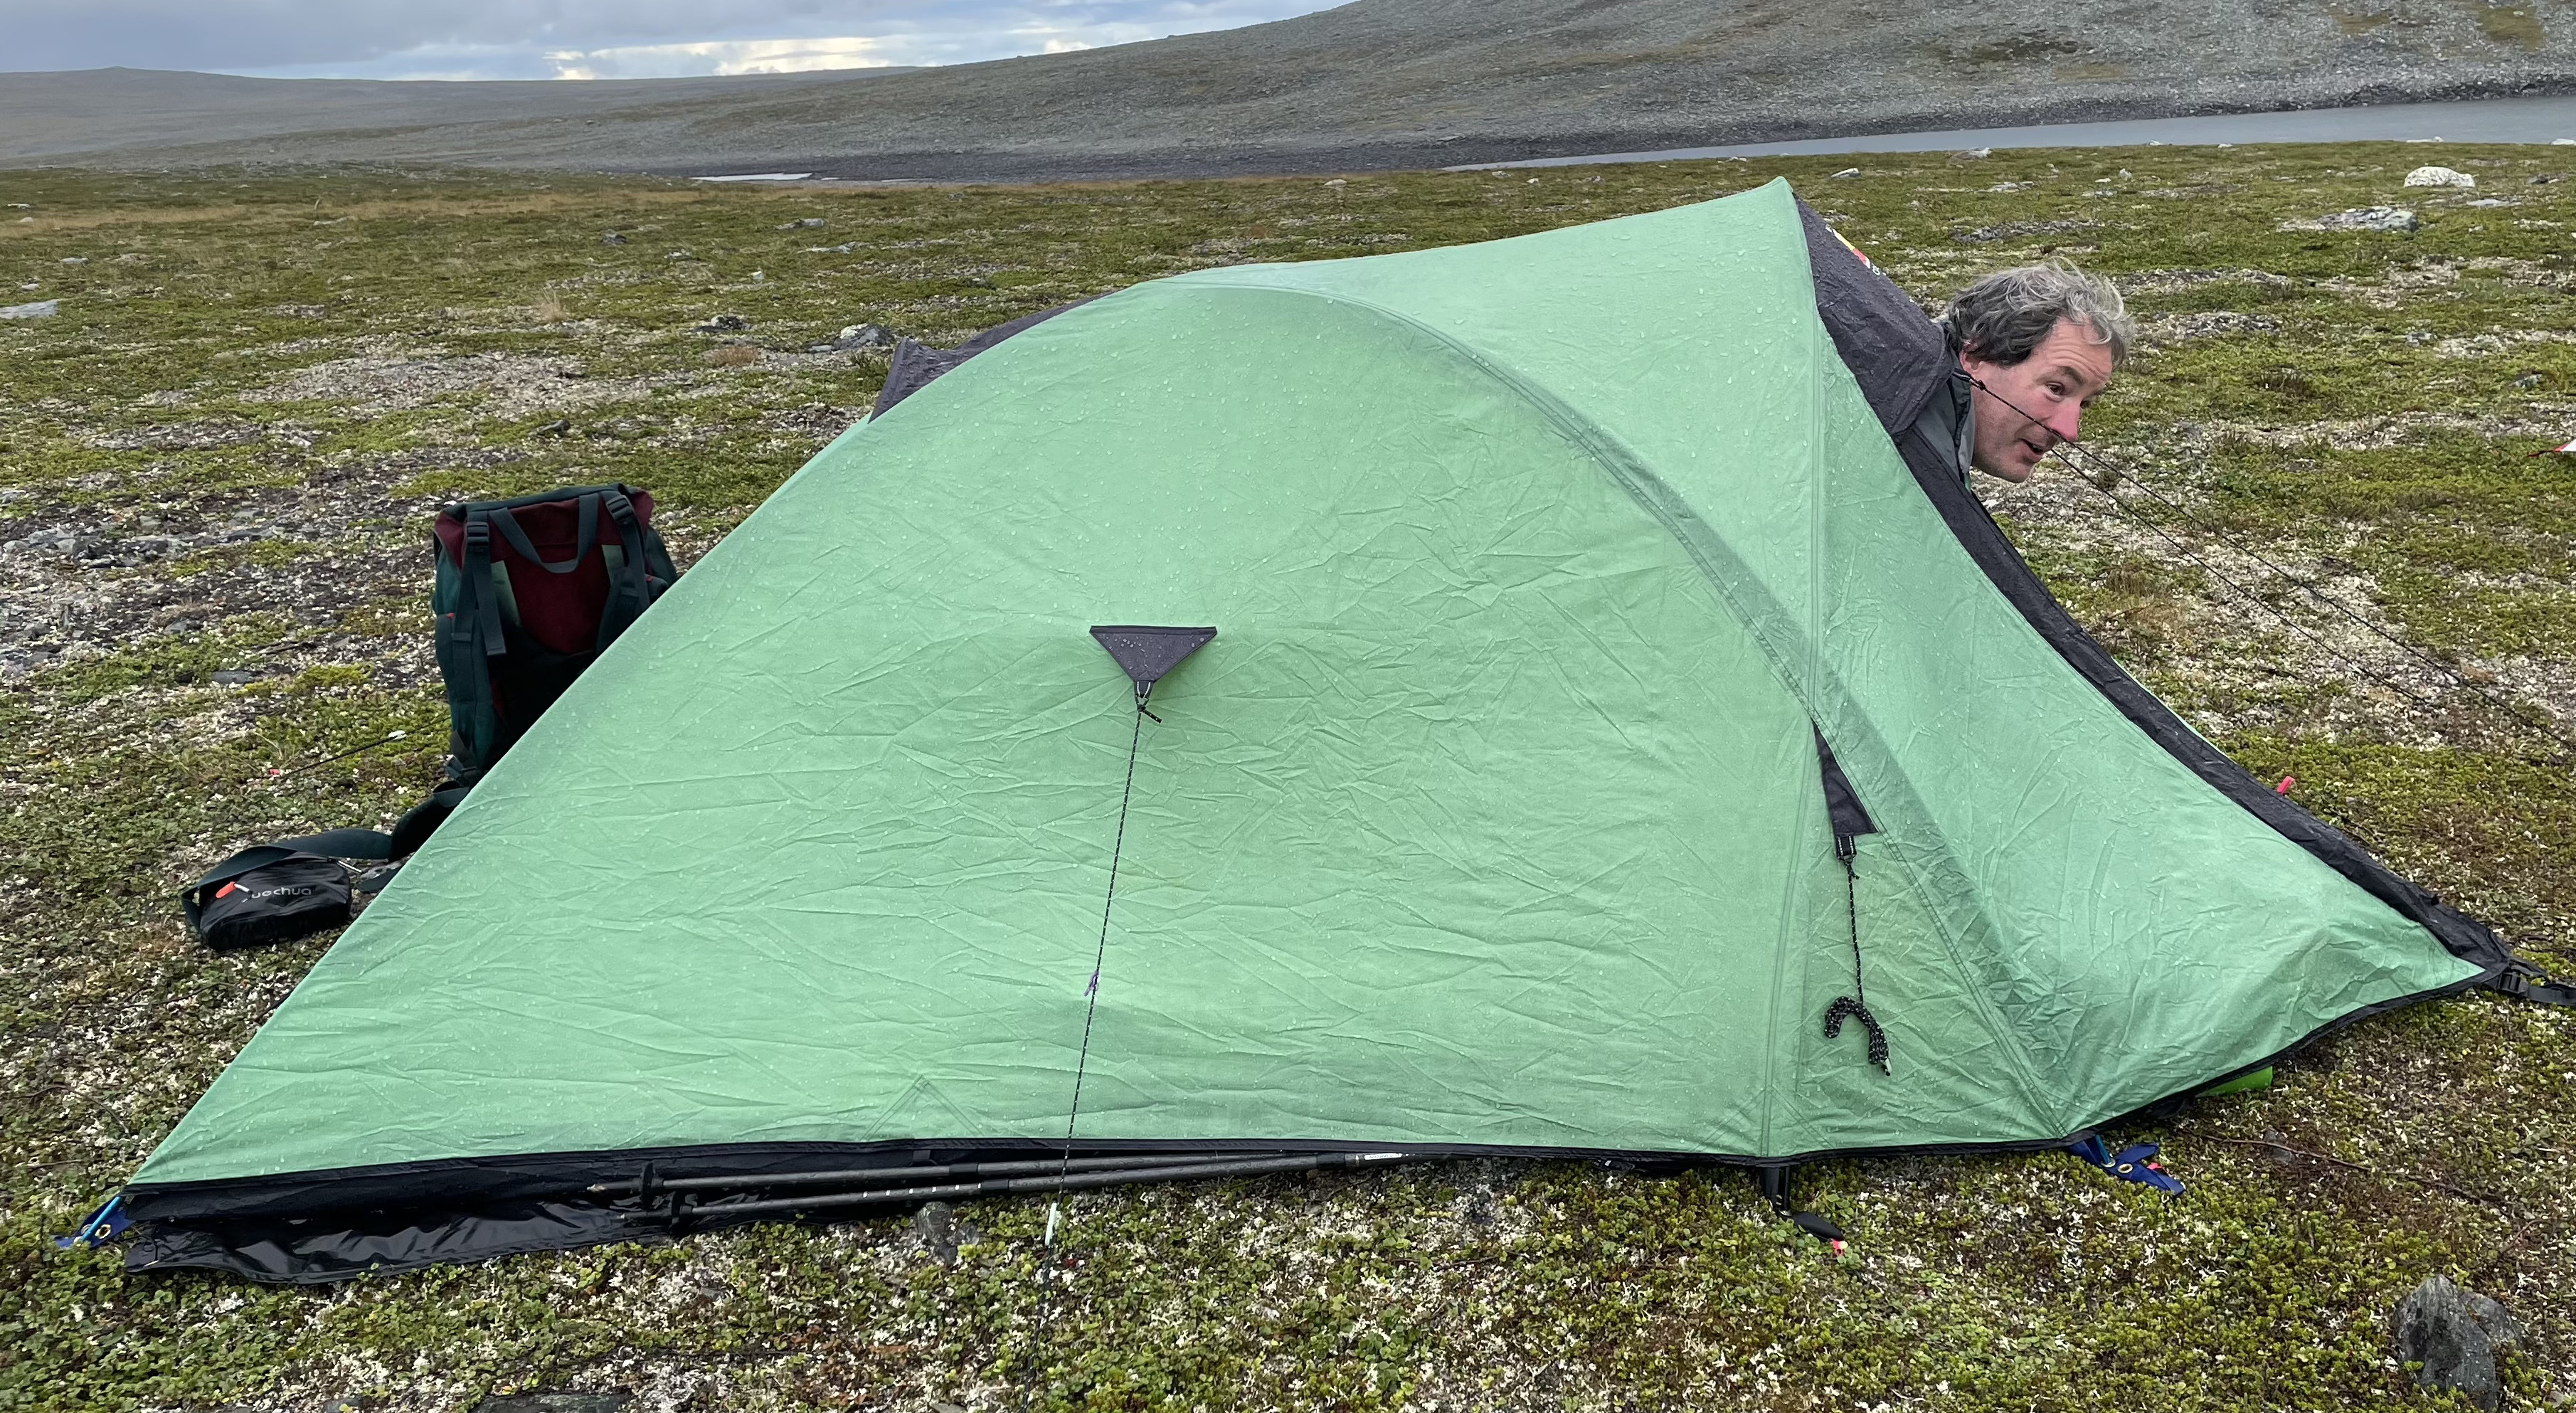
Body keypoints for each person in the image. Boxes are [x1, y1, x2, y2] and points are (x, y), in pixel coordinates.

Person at [1904, 263, 2131, 486]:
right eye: (2055, 389)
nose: (2069, 432)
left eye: (2085, 403)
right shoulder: (1906, 467)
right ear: (1975, 354)